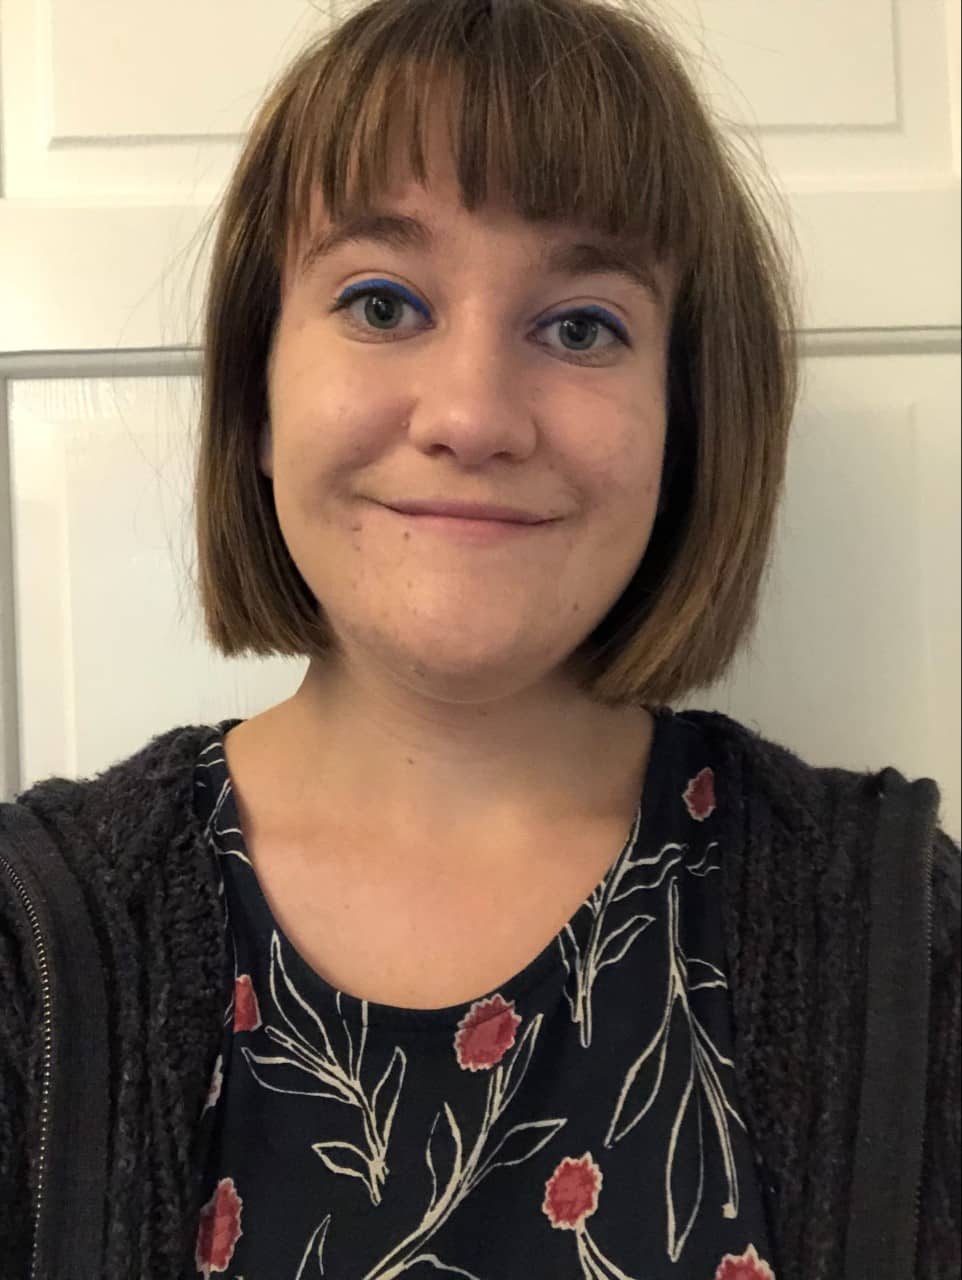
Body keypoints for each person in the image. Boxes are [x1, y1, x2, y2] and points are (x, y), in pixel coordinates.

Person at [0, 0, 958, 1276]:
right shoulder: (30, 943)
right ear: (255, 399)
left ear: (686, 422)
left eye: (579, 325)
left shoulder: (899, 927)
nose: (469, 414)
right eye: (382, 302)